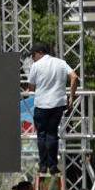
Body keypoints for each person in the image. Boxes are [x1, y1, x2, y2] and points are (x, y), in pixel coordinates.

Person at [25, 41, 78, 178]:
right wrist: (71, 97)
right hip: (58, 104)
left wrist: (33, 89)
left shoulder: (36, 66)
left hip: (41, 104)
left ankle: (43, 166)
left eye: (33, 55)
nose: (32, 58)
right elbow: (74, 77)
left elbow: (31, 88)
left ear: (39, 53)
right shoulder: (61, 63)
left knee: (41, 135)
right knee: (52, 134)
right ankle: (53, 166)